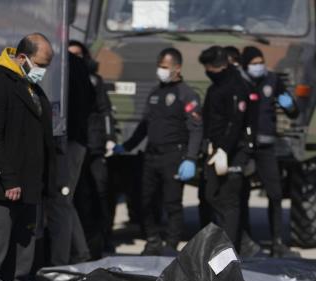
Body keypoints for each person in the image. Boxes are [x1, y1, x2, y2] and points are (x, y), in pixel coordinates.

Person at [0, 33, 55, 281]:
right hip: (2, 190)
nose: (43, 71)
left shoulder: (31, 88)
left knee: (22, 263)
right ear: (22, 58)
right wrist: (9, 178)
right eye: (40, 64)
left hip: (29, 189)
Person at [113, 48, 202, 255]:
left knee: (172, 203)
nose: (160, 70)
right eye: (159, 66)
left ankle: (171, 244)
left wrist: (190, 158)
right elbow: (144, 126)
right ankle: (152, 238)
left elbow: (196, 129)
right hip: (152, 155)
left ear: (177, 68)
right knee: (145, 200)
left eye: (165, 67)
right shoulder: (155, 93)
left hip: (174, 155)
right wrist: (125, 146)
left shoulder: (187, 94)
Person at [240, 46, 299, 256]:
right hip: (244, 148)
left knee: (275, 194)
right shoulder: (240, 82)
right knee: (241, 193)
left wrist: (290, 105)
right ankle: (244, 241)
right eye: (253, 63)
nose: (258, 67)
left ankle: (277, 242)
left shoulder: (272, 80)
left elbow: (293, 112)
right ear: (245, 65)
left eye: (260, 62)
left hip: (265, 147)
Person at [44, 49, 95, 265]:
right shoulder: (73, 63)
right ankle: (79, 253)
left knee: (60, 202)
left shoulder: (66, 65)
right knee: (63, 202)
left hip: (67, 142)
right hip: (72, 140)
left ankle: (60, 262)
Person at [68, 40, 117, 257]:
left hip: (95, 146)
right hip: (77, 143)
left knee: (100, 192)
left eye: (79, 55)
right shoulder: (64, 80)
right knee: (79, 196)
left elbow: (105, 111)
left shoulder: (94, 81)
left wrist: (109, 138)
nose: (75, 59)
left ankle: (103, 238)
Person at [200, 45, 252, 247]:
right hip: (215, 149)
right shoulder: (215, 88)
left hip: (233, 150)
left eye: (209, 67)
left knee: (230, 199)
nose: (207, 72)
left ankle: (231, 247)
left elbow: (235, 122)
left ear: (218, 66)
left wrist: (224, 149)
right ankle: (220, 241)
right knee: (211, 195)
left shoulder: (236, 86)